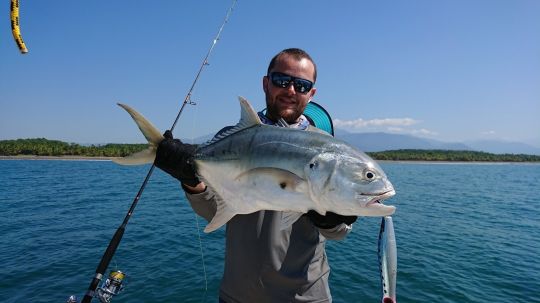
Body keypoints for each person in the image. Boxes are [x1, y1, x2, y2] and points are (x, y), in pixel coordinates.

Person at [155, 48, 357, 303]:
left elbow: (338, 233)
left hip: (306, 296)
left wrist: (331, 220)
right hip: (239, 295)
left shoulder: (327, 148)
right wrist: (190, 180)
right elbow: (213, 209)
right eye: (282, 80)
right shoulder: (231, 138)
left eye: (302, 85)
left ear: (312, 93)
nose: (291, 90)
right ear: (266, 83)